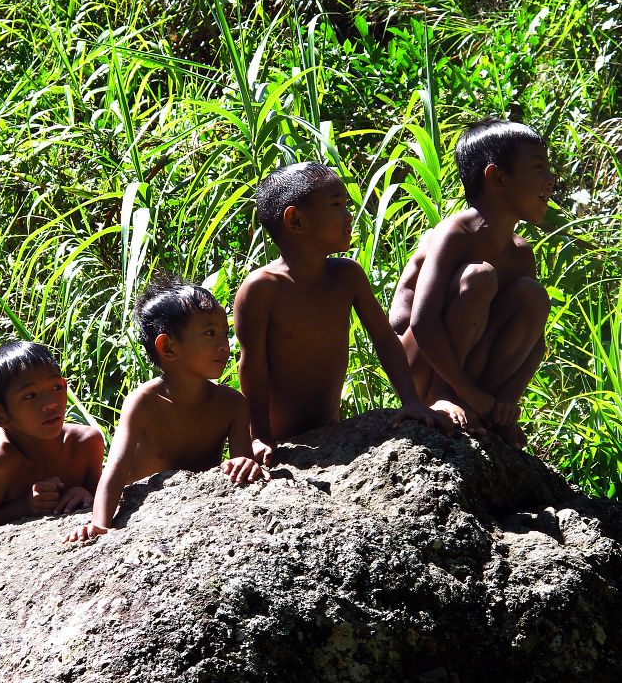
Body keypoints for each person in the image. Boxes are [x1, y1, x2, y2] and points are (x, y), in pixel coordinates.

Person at [234, 162, 450, 467]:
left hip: (329, 429)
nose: (349, 215)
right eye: (337, 205)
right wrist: (260, 436)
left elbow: (385, 340)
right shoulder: (262, 288)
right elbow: (252, 365)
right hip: (280, 438)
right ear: (295, 220)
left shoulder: (347, 276)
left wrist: (411, 401)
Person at [389, 118, 554, 450]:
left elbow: (536, 342)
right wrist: (458, 389)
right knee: (478, 278)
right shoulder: (454, 234)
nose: (551, 181)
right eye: (539, 168)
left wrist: (508, 398)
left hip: (468, 373)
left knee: (533, 296)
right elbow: (420, 322)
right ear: (497, 178)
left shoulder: (520, 253)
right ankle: (443, 397)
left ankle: (487, 412)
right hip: (419, 365)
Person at [64, 275, 268, 543]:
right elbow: (115, 471)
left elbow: (242, 466)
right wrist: (100, 524)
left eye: (224, 333)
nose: (224, 345)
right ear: (167, 346)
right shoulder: (144, 402)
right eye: (210, 333)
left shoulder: (233, 404)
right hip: (145, 516)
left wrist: (244, 463)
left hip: (198, 514)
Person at [0, 340, 104, 535]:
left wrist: (86, 494)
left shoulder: (85, 443)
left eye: (56, 388)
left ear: (65, 386)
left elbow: (102, 499)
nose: (50, 404)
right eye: (30, 396)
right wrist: (24, 506)